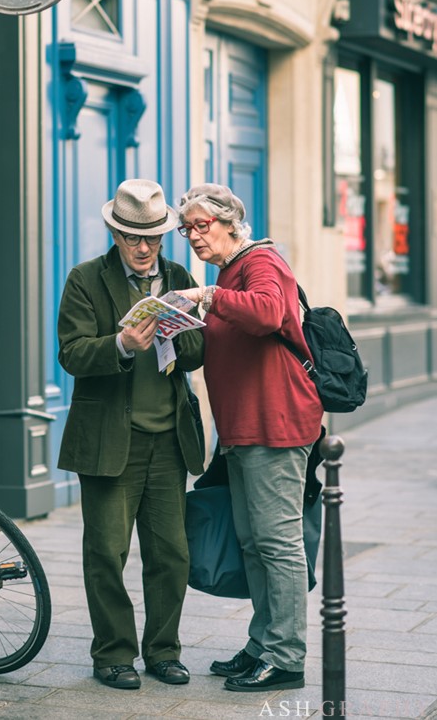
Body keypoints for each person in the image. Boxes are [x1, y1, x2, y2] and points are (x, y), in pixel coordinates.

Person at [57, 178, 205, 691]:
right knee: (107, 553)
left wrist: (177, 336)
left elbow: (199, 353)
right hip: (107, 442)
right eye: (134, 238)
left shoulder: (180, 275)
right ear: (115, 235)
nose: (145, 249)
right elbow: (71, 352)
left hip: (169, 442)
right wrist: (120, 344)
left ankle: (163, 651)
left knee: (171, 554)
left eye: (154, 239)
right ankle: (113, 655)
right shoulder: (84, 280)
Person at [175, 183, 323, 693]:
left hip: (275, 426)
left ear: (230, 223)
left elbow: (266, 313)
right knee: (255, 544)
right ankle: (262, 644)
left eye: (202, 224)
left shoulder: (262, 262)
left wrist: (209, 297)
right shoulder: (228, 272)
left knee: (278, 544)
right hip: (242, 429)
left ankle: (285, 657)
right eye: (186, 228)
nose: (193, 235)